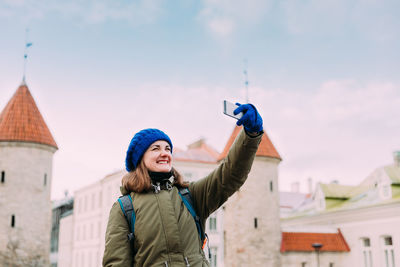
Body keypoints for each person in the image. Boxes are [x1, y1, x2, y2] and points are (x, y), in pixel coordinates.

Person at [103, 103, 264, 267]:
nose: (164, 153)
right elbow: (116, 263)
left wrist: (250, 135)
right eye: (155, 149)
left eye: (167, 148)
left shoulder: (190, 195)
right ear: (140, 159)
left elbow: (230, 174)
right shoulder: (124, 208)